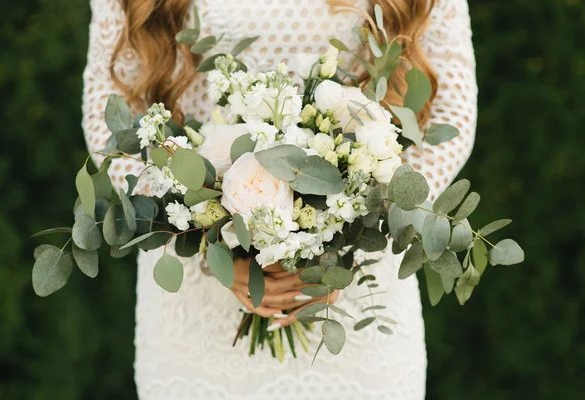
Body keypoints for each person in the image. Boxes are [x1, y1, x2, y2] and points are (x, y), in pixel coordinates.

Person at [82, 0, 477, 398]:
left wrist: (357, 225)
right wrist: (203, 240)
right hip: (195, 298)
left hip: (357, 292)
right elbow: (107, 106)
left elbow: (452, 109)